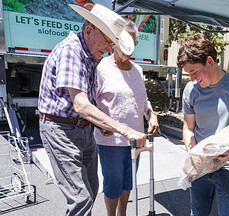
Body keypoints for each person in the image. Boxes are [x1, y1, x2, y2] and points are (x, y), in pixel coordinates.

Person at [38, 4, 147, 215]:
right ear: (89, 30)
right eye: (108, 41)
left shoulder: (91, 55)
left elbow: (89, 99)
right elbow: (80, 104)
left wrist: (99, 122)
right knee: (81, 199)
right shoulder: (72, 50)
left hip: (83, 130)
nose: (109, 49)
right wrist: (124, 129)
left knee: (92, 189)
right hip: (60, 129)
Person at [178, 33, 229, 216]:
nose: (191, 79)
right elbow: (188, 127)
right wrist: (192, 151)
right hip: (201, 165)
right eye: (188, 73)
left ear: (209, 61)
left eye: (194, 72)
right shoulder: (191, 90)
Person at [94, 19, 159, 216]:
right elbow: (90, 103)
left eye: (133, 45)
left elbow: (144, 100)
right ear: (115, 42)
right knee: (113, 185)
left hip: (136, 139)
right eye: (124, 45)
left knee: (128, 182)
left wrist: (152, 114)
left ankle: (123, 214)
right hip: (110, 140)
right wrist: (98, 125)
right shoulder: (101, 68)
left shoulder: (137, 70)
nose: (129, 51)